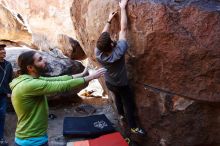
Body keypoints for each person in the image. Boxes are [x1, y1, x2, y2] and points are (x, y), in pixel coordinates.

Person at [10, 50, 106, 146]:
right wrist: (91, 77)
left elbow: (58, 79)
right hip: (31, 141)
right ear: (30, 67)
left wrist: (82, 74)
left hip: (32, 138)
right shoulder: (29, 84)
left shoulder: (31, 79)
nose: (45, 60)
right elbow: (61, 86)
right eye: (40, 60)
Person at [95, 0, 145, 135]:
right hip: (122, 84)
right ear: (111, 45)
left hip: (110, 83)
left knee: (116, 97)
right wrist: (123, 8)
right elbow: (123, 29)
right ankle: (133, 127)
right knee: (128, 104)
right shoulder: (119, 51)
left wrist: (108, 21)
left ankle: (120, 115)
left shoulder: (98, 52)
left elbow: (102, 37)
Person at [0, 44, 13, 146]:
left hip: (3, 95)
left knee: (2, 115)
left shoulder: (8, 65)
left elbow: (10, 80)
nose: (3, 51)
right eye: (0, 50)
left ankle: (1, 138)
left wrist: (9, 92)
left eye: (3, 49)